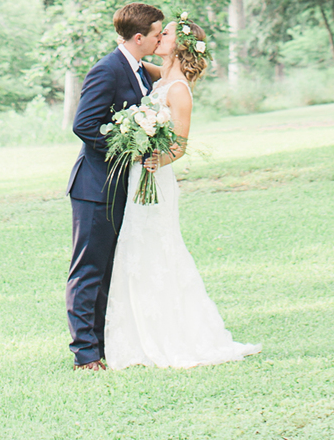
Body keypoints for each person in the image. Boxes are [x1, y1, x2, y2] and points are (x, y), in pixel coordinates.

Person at [102, 20, 260, 369]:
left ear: (181, 45)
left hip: (154, 179)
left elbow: (181, 146)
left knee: (157, 248)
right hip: (137, 175)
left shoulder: (178, 90)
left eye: (166, 34)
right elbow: (132, 60)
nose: (160, 37)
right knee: (135, 247)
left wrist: (156, 159)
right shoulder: (161, 76)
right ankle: (135, 332)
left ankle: (172, 335)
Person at [64, 2, 165, 370]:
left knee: (110, 268)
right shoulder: (106, 70)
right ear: (139, 38)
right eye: (157, 33)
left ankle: (105, 345)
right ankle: (85, 354)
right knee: (89, 269)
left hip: (122, 187)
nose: (159, 38)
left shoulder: (139, 69)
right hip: (95, 187)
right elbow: (85, 125)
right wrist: (130, 151)